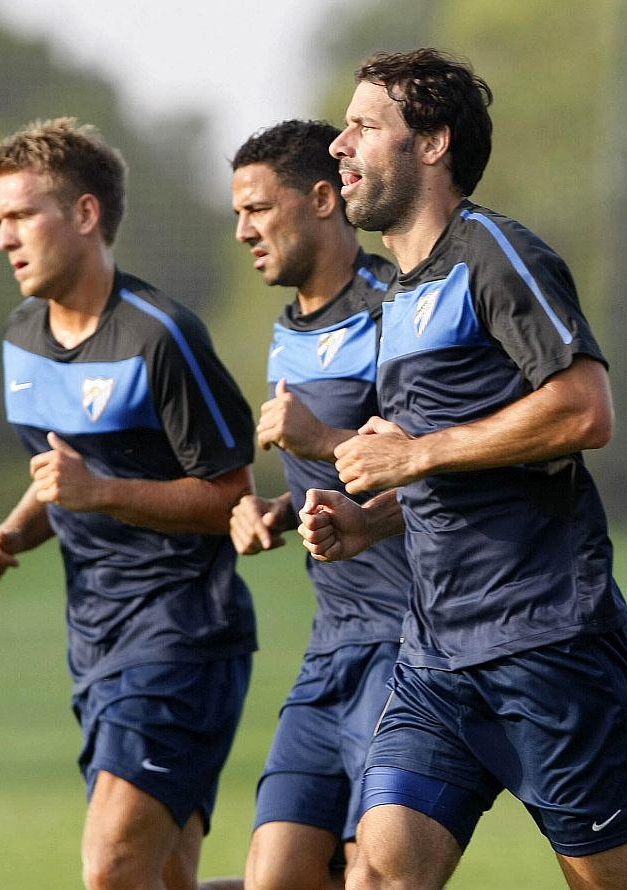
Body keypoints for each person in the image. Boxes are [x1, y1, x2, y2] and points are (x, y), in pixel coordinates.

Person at [298, 48, 627, 890]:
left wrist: (412, 453)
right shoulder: (399, 297)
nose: (339, 147)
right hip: (435, 658)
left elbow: (583, 410)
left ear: (432, 144)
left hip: (548, 647)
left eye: (363, 127)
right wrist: (371, 516)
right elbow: (467, 464)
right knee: (377, 875)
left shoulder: (493, 252)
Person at [0, 118, 257, 890]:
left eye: (22, 215)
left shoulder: (161, 337)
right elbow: (59, 473)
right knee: (163, 880)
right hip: (95, 642)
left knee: (111, 868)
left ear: (86, 215)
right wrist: (12, 531)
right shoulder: (22, 336)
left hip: (183, 638)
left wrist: (101, 494)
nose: (4, 238)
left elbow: (233, 496)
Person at [224, 119, 410, 890]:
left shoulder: (393, 313)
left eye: (259, 209)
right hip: (330, 641)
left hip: (407, 642)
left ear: (325, 199)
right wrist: (276, 506)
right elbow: (326, 471)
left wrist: (319, 439)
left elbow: (435, 471)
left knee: (379, 872)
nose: (243, 232)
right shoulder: (289, 328)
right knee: (277, 875)